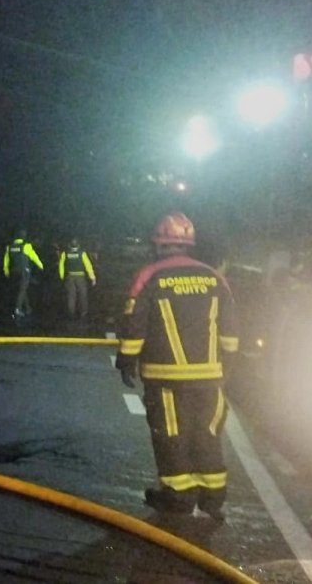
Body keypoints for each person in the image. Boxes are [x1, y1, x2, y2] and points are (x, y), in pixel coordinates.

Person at [114, 212, 239, 521]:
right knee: (207, 431)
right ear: (188, 244)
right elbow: (231, 328)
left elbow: (135, 324)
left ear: (158, 244)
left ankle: (178, 497)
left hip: (165, 376)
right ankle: (213, 496)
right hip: (210, 376)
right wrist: (229, 364)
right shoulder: (213, 277)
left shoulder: (150, 276)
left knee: (171, 434)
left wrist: (126, 360)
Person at [3, 228, 45, 317]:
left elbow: (6, 260)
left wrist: (6, 270)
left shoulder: (9, 247)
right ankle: (17, 309)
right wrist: (41, 265)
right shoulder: (26, 246)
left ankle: (28, 308)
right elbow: (34, 256)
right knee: (22, 290)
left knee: (22, 289)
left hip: (14, 271)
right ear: (24, 236)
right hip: (24, 271)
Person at [58, 236, 96, 319]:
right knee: (83, 295)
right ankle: (83, 312)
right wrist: (92, 277)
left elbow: (61, 265)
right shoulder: (82, 253)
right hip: (80, 277)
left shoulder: (65, 253)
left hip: (70, 276)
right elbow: (88, 266)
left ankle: (71, 312)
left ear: (69, 245)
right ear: (78, 245)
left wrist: (61, 276)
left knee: (71, 296)